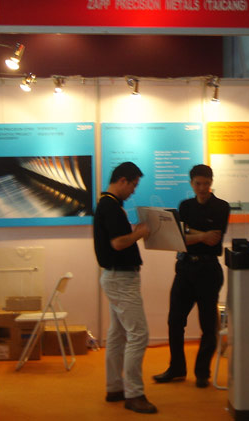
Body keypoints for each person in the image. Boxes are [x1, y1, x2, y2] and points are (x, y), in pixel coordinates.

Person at [153, 164, 230, 388]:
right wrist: (201, 235)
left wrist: (190, 233)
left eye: (206, 183)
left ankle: (202, 372)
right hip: (185, 268)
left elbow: (214, 239)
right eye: (198, 184)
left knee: (208, 325)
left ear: (211, 182)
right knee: (175, 320)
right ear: (191, 184)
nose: (202, 188)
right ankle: (177, 368)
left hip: (208, 270)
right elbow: (178, 237)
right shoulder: (185, 206)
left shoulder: (222, 207)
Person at [93, 161, 157, 414]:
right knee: (138, 334)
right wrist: (140, 232)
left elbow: (117, 240)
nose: (133, 191)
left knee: (118, 334)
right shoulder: (111, 206)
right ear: (122, 181)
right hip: (121, 278)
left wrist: (135, 232)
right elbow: (118, 243)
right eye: (133, 185)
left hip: (115, 276)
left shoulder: (108, 204)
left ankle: (115, 387)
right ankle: (134, 393)